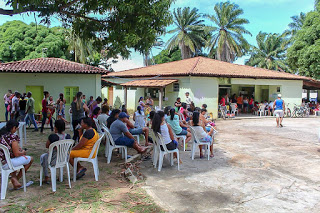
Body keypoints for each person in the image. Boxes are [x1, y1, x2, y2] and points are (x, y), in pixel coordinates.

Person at [0, 120, 33, 189]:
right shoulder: (12, 137)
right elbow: (17, 153)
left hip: (2, 162)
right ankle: (15, 179)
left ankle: (14, 179)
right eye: (17, 128)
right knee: (30, 159)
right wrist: (23, 152)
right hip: (8, 163)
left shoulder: (2, 136)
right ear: (14, 128)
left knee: (14, 160)